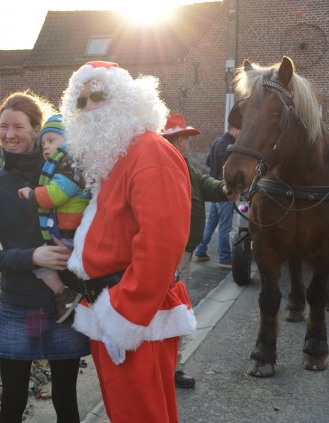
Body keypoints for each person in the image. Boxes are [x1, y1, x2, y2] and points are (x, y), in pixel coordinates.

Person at [61, 61, 196, 422]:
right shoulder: (119, 157)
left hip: (134, 317)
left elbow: (161, 243)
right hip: (111, 312)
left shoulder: (150, 151)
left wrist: (124, 315)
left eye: (99, 96)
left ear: (127, 98)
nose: (89, 107)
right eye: (81, 101)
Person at [0, 91, 90, 423]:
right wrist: (32, 257)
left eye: (18, 127)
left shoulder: (65, 177)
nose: (9, 135)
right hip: (19, 303)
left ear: (37, 130)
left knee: (66, 398)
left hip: (66, 304)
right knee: (13, 401)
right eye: (3, 127)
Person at [162, 113, 239, 389]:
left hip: (182, 250)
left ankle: (171, 365)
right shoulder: (167, 165)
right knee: (174, 309)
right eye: (185, 138)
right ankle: (170, 368)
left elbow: (204, 185)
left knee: (175, 308)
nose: (189, 144)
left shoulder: (181, 163)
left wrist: (225, 189)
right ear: (176, 140)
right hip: (172, 251)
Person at [18, 114, 90, 323]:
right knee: (41, 258)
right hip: (69, 232)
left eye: (51, 140)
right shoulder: (65, 164)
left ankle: (65, 294)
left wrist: (31, 194)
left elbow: (56, 195)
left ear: (70, 139)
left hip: (71, 233)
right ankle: (70, 296)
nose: (46, 147)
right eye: (43, 144)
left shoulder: (72, 165)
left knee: (39, 260)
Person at [194, 124, 241, 268]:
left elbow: (208, 162)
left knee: (211, 223)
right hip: (223, 190)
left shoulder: (217, 141)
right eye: (240, 130)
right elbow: (229, 170)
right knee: (225, 226)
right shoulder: (229, 146)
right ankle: (224, 257)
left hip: (214, 188)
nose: (241, 134)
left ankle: (200, 250)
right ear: (235, 129)